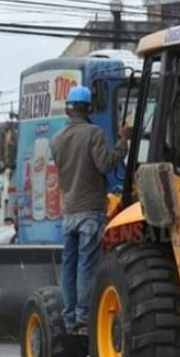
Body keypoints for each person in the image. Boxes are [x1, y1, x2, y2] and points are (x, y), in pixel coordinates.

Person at [51, 86, 131, 335]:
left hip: (71, 211)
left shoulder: (57, 140)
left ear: (68, 108)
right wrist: (123, 141)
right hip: (91, 210)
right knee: (86, 263)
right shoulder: (93, 133)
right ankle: (84, 316)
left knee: (70, 264)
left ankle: (69, 316)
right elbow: (105, 163)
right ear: (89, 108)